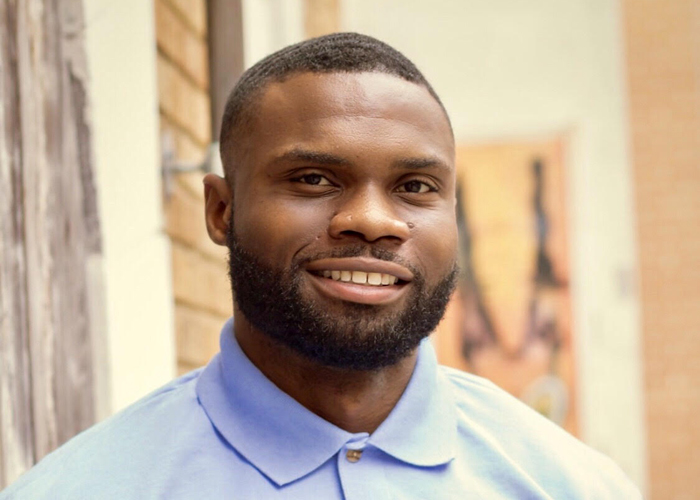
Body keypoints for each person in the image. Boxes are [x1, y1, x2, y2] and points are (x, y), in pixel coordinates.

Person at [1, 32, 640, 499]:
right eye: (313, 178)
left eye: (416, 187)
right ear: (221, 210)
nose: (373, 220)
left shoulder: (568, 484)